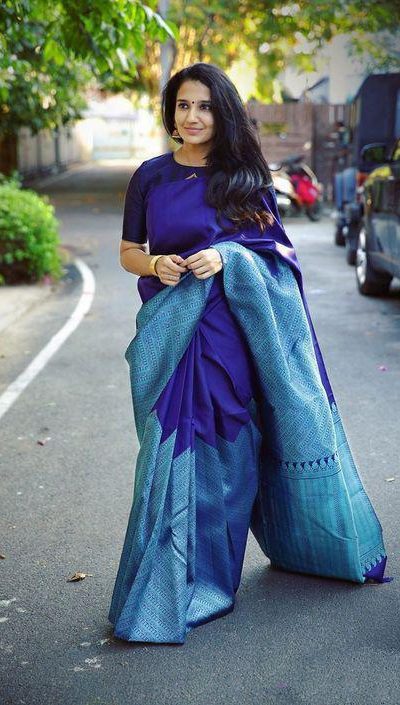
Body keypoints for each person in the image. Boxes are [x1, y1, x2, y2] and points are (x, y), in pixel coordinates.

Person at [108, 62, 392, 645]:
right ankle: (161, 581)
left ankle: (211, 578)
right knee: (164, 456)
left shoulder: (244, 178)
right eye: (183, 105)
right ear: (171, 112)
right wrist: (156, 263)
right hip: (169, 332)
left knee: (228, 454)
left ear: (223, 114)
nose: (193, 117)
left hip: (228, 335)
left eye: (205, 106)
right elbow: (129, 250)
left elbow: (277, 256)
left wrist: (228, 257)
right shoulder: (151, 177)